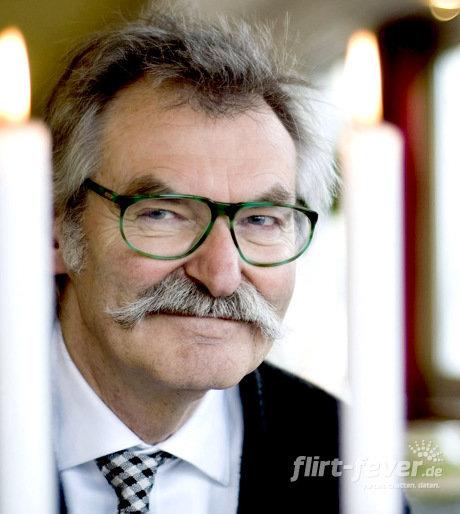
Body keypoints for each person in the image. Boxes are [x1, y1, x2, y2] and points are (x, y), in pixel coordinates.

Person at [47, 5, 341, 513]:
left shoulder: (343, 455)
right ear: (54, 233)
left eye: (261, 220)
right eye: (162, 214)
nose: (221, 276)